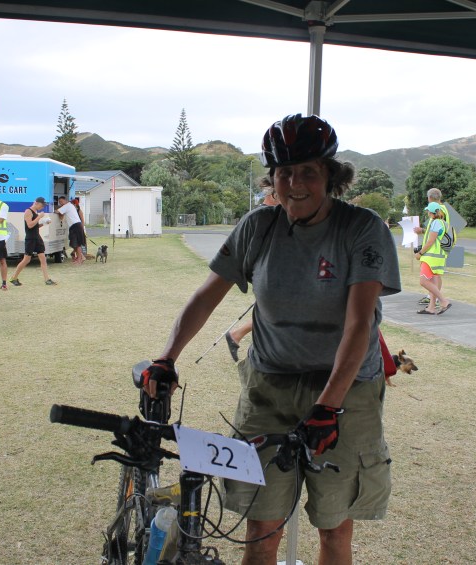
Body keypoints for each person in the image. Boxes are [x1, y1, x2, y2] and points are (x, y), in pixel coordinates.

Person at [141, 114, 401, 565]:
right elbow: (206, 296)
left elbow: (359, 323)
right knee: (261, 527)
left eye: (308, 172)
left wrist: (328, 406)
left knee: (334, 527)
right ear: (272, 178)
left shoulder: (361, 228)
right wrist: (167, 358)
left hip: (346, 392)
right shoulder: (258, 226)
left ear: (330, 176)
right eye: (284, 172)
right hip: (269, 387)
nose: (295, 184)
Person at [225, 187, 278, 361]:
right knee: (272, 313)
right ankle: (237, 335)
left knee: (271, 313)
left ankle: (236, 335)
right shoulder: (263, 216)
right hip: (265, 275)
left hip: (267, 275)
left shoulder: (270, 214)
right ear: (272, 195)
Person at [413, 187, 451, 306]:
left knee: (432, 276)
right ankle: (433, 302)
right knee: (435, 275)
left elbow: (437, 231)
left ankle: (436, 298)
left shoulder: (439, 210)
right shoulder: (443, 209)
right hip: (436, 249)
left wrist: (421, 251)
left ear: (429, 198)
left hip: (434, 250)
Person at [9, 196, 57, 286]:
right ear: (37, 203)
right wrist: (39, 217)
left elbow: (35, 226)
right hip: (30, 238)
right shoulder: (28, 211)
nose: (42, 207)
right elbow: (30, 225)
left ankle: (47, 279)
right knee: (26, 260)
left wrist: (44, 223)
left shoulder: (35, 212)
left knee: (43, 259)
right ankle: (13, 277)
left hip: (37, 237)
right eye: (42, 205)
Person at [57, 195, 85, 265]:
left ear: (65, 200)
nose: (60, 203)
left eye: (61, 201)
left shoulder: (67, 206)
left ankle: (79, 259)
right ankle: (80, 257)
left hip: (76, 225)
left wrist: (55, 210)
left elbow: (57, 211)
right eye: (59, 202)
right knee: (74, 244)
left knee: (77, 244)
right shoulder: (69, 206)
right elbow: (61, 214)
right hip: (74, 226)